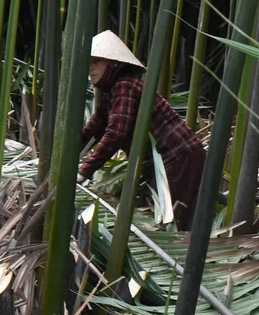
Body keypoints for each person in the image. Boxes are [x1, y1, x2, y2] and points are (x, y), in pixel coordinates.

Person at [78, 31, 207, 225]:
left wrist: (85, 170)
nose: (91, 69)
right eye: (90, 63)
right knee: (154, 215)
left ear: (112, 64)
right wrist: (66, 156)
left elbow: (116, 133)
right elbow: (93, 130)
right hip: (167, 161)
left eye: (96, 62)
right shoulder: (112, 93)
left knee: (162, 221)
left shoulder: (125, 87)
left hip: (178, 156)